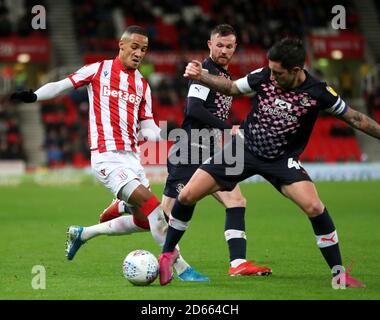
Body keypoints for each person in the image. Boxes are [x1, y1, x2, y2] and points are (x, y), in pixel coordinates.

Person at [158, 38, 380, 286]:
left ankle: (339, 273)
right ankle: (167, 255)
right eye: (270, 69)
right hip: (243, 150)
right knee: (187, 195)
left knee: (315, 207)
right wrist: (201, 76)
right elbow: (231, 88)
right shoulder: (263, 75)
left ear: (296, 70)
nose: (272, 76)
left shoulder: (319, 92)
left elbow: (356, 119)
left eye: (278, 72)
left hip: (281, 161)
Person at [10, 25, 207, 282]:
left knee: (144, 222)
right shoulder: (98, 69)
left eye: (144, 50)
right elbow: (62, 85)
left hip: (132, 159)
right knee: (154, 208)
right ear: (121, 45)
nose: (139, 53)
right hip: (106, 157)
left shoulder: (142, 85)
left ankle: (84, 233)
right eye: (134, 47)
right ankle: (181, 268)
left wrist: (159, 136)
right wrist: (35, 96)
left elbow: (147, 124)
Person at [100, 24, 272, 279]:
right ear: (209, 45)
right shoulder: (205, 71)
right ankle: (122, 210)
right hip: (190, 151)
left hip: (212, 150)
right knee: (163, 218)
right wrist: (228, 128)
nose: (224, 50)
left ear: (235, 48)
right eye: (219, 45)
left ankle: (238, 263)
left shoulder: (223, 75)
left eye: (229, 46)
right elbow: (193, 109)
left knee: (236, 201)